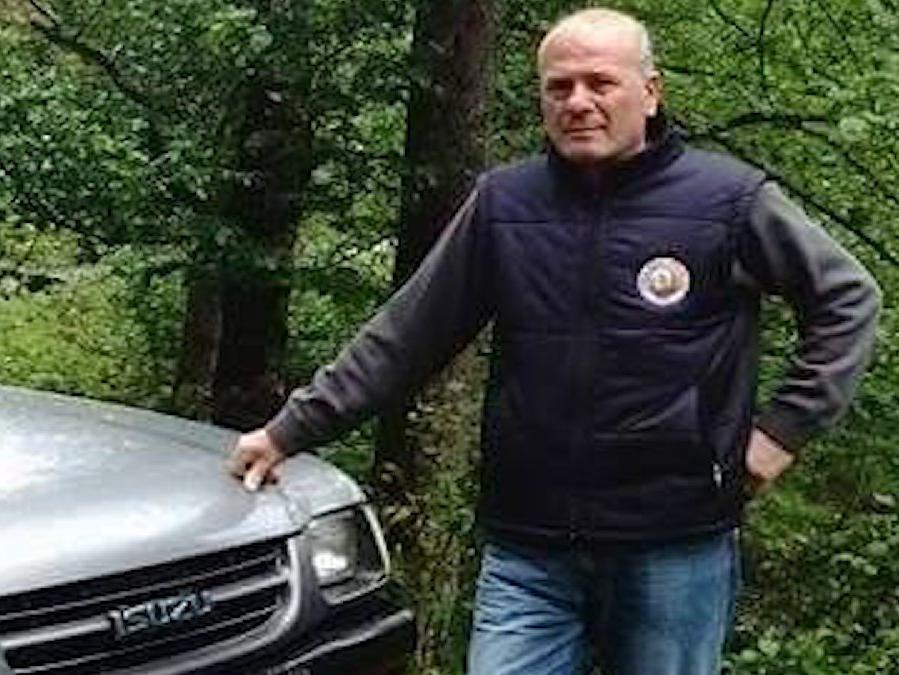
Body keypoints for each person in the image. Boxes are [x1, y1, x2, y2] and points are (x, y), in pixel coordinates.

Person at [228, 8, 880, 674]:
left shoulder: (726, 201)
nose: (578, 102)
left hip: (673, 537)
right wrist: (289, 430)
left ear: (650, 92)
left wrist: (780, 432)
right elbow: (407, 336)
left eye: (601, 82)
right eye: (559, 87)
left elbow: (847, 299)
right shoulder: (505, 205)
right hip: (529, 543)